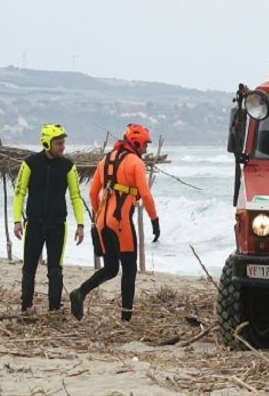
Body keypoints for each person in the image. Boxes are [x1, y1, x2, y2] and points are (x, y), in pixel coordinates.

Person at [69, 123, 161, 322]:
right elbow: (145, 195)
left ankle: (80, 292)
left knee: (111, 268)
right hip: (121, 223)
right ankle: (126, 318)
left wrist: (97, 215)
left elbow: (93, 193)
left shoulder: (105, 160)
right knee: (129, 270)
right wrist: (155, 220)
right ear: (136, 143)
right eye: (145, 145)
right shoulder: (136, 163)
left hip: (102, 221)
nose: (146, 149)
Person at [13, 123, 85, 313]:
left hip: (57, 225)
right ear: (47, 144)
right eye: (59, 143)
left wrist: (80, 224)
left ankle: (54, 309)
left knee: (55, 269)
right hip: (34, 224)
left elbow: (76, 196)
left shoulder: (68, 167)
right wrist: (17, 221)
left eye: (63, 143)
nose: (63, 147)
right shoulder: (29, 164)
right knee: (29, 267)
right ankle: (26, 307)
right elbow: (19, 193)